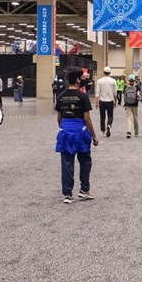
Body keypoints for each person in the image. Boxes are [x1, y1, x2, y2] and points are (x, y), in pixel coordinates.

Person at [55, 68, 99, 204]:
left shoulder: (61, 96)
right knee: (85, 161)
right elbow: (87, 117)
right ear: (78, 80)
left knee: (67, 163)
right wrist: (94, 135)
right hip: (81, 131)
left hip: (66, 131)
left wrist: (64, 127)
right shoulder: (83, 96)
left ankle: (67, 194)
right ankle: (84, 190)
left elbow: (59, 117)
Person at [95, 67, 117, 137]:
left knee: (102, 116)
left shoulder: (99, 81)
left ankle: (103, 130)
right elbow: (115, 92)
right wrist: (115, 101)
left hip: (102, 101)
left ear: (103, 72)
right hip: (110, 101)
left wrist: (96, 102)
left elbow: (97, 92)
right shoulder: (113, 81)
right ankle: (109, 125)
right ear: (110, 73)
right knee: (110, 115)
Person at [122, 74, 141, 138]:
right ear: (134, 80)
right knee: (135, 118)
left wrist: (124, 104)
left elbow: (124, 96)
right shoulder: (137, 87)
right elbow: (138, 95)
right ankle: (136, 131)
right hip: (135, 104)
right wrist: (138, 98)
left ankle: (129, 131)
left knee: (128, 118)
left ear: (129, 80)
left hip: (127, 104)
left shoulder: (125, 87)